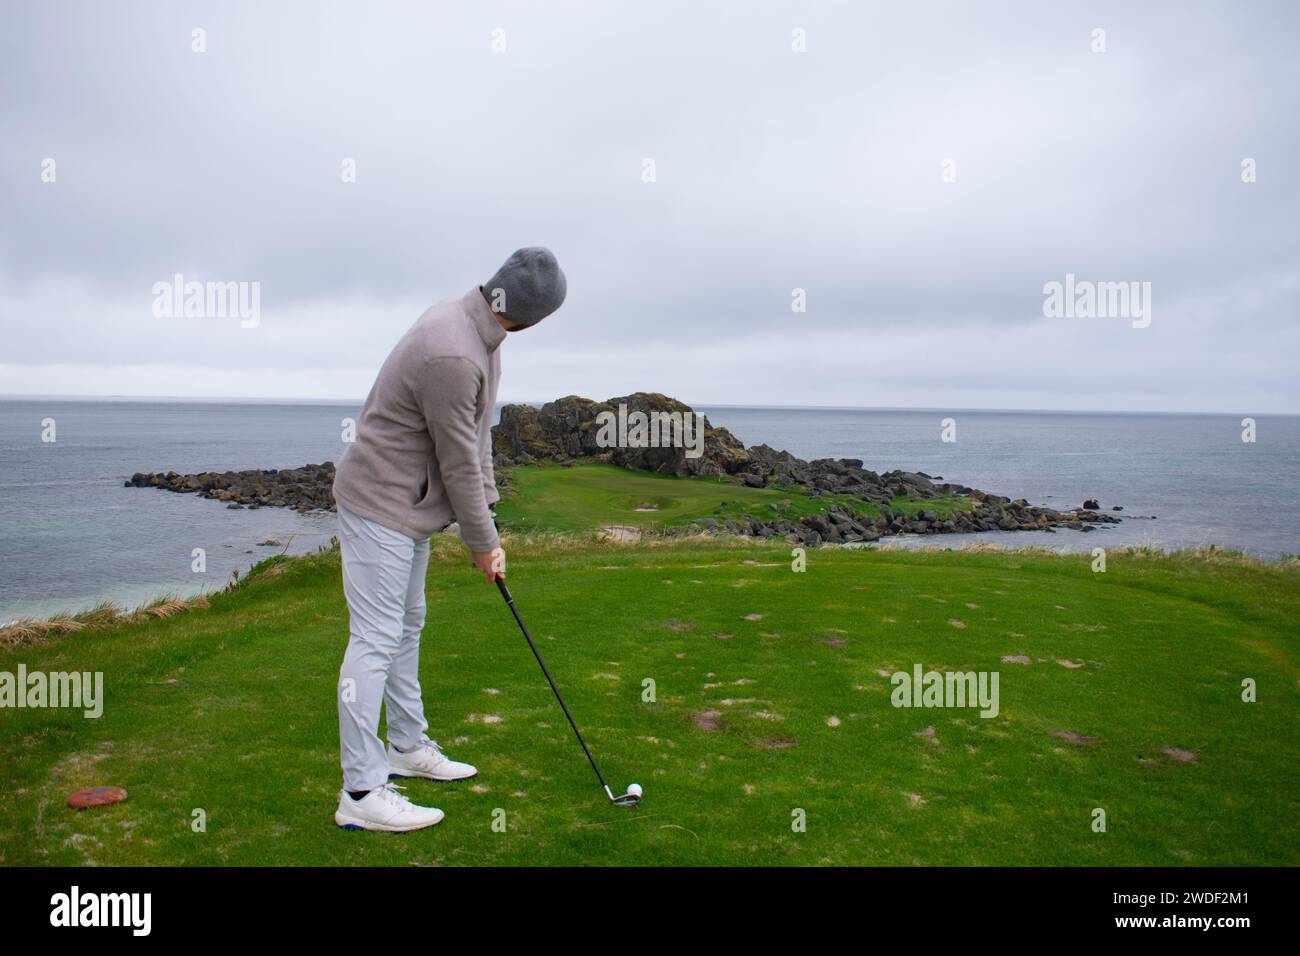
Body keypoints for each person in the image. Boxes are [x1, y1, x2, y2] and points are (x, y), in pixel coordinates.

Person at [330, 248, 567, 831]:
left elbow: (478, 438)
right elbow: (457, 463)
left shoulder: (478, 332)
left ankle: (407, 749)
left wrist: (485, 520)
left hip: (407, 509)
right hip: (379, 506)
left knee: (407, 626)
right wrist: (482, 545)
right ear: (535, 317)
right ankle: (361, 793)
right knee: (375, 640)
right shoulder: (453, 352)